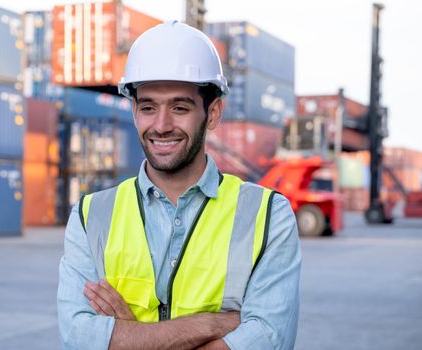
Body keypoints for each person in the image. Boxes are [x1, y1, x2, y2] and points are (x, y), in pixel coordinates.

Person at [58, 20, 301, 350]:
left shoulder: (268, 215)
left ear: (212, 113)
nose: (161, 125)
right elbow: (78, 338)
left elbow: (269, 339)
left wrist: (129, 335)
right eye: (148, 107)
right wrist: (212, 323)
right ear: (134, 111)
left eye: (180, 107)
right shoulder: (91, 215)